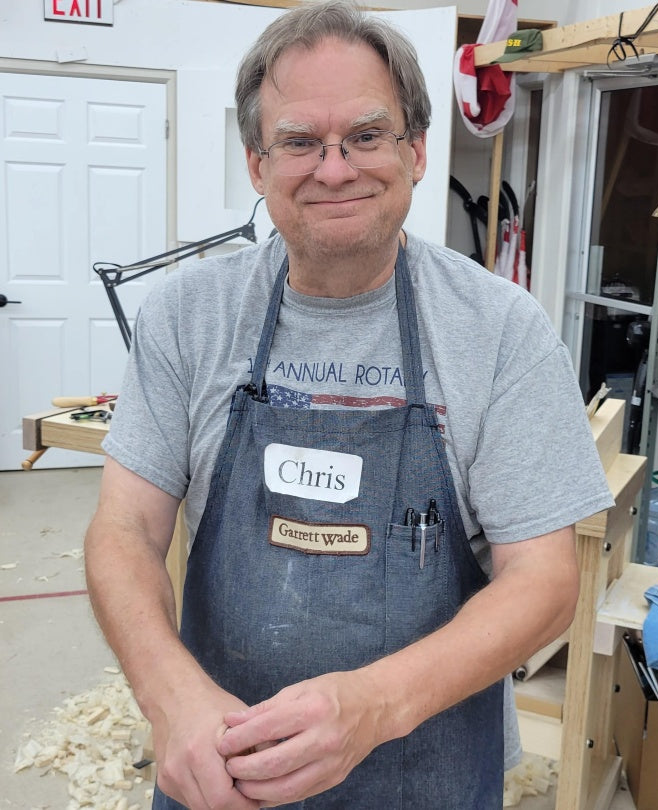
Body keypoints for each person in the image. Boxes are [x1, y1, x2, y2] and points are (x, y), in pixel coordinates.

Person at [83, 3, 614, 808]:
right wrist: (171, 700)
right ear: (257, 164)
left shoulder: (499, 330)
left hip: (426, 771)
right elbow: (123, 531)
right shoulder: (188, 317)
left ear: (418, 151)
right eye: (299, 141)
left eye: (366, 136)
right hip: (221, 771)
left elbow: (543, 579)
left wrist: (374, 705)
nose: (335, 169)